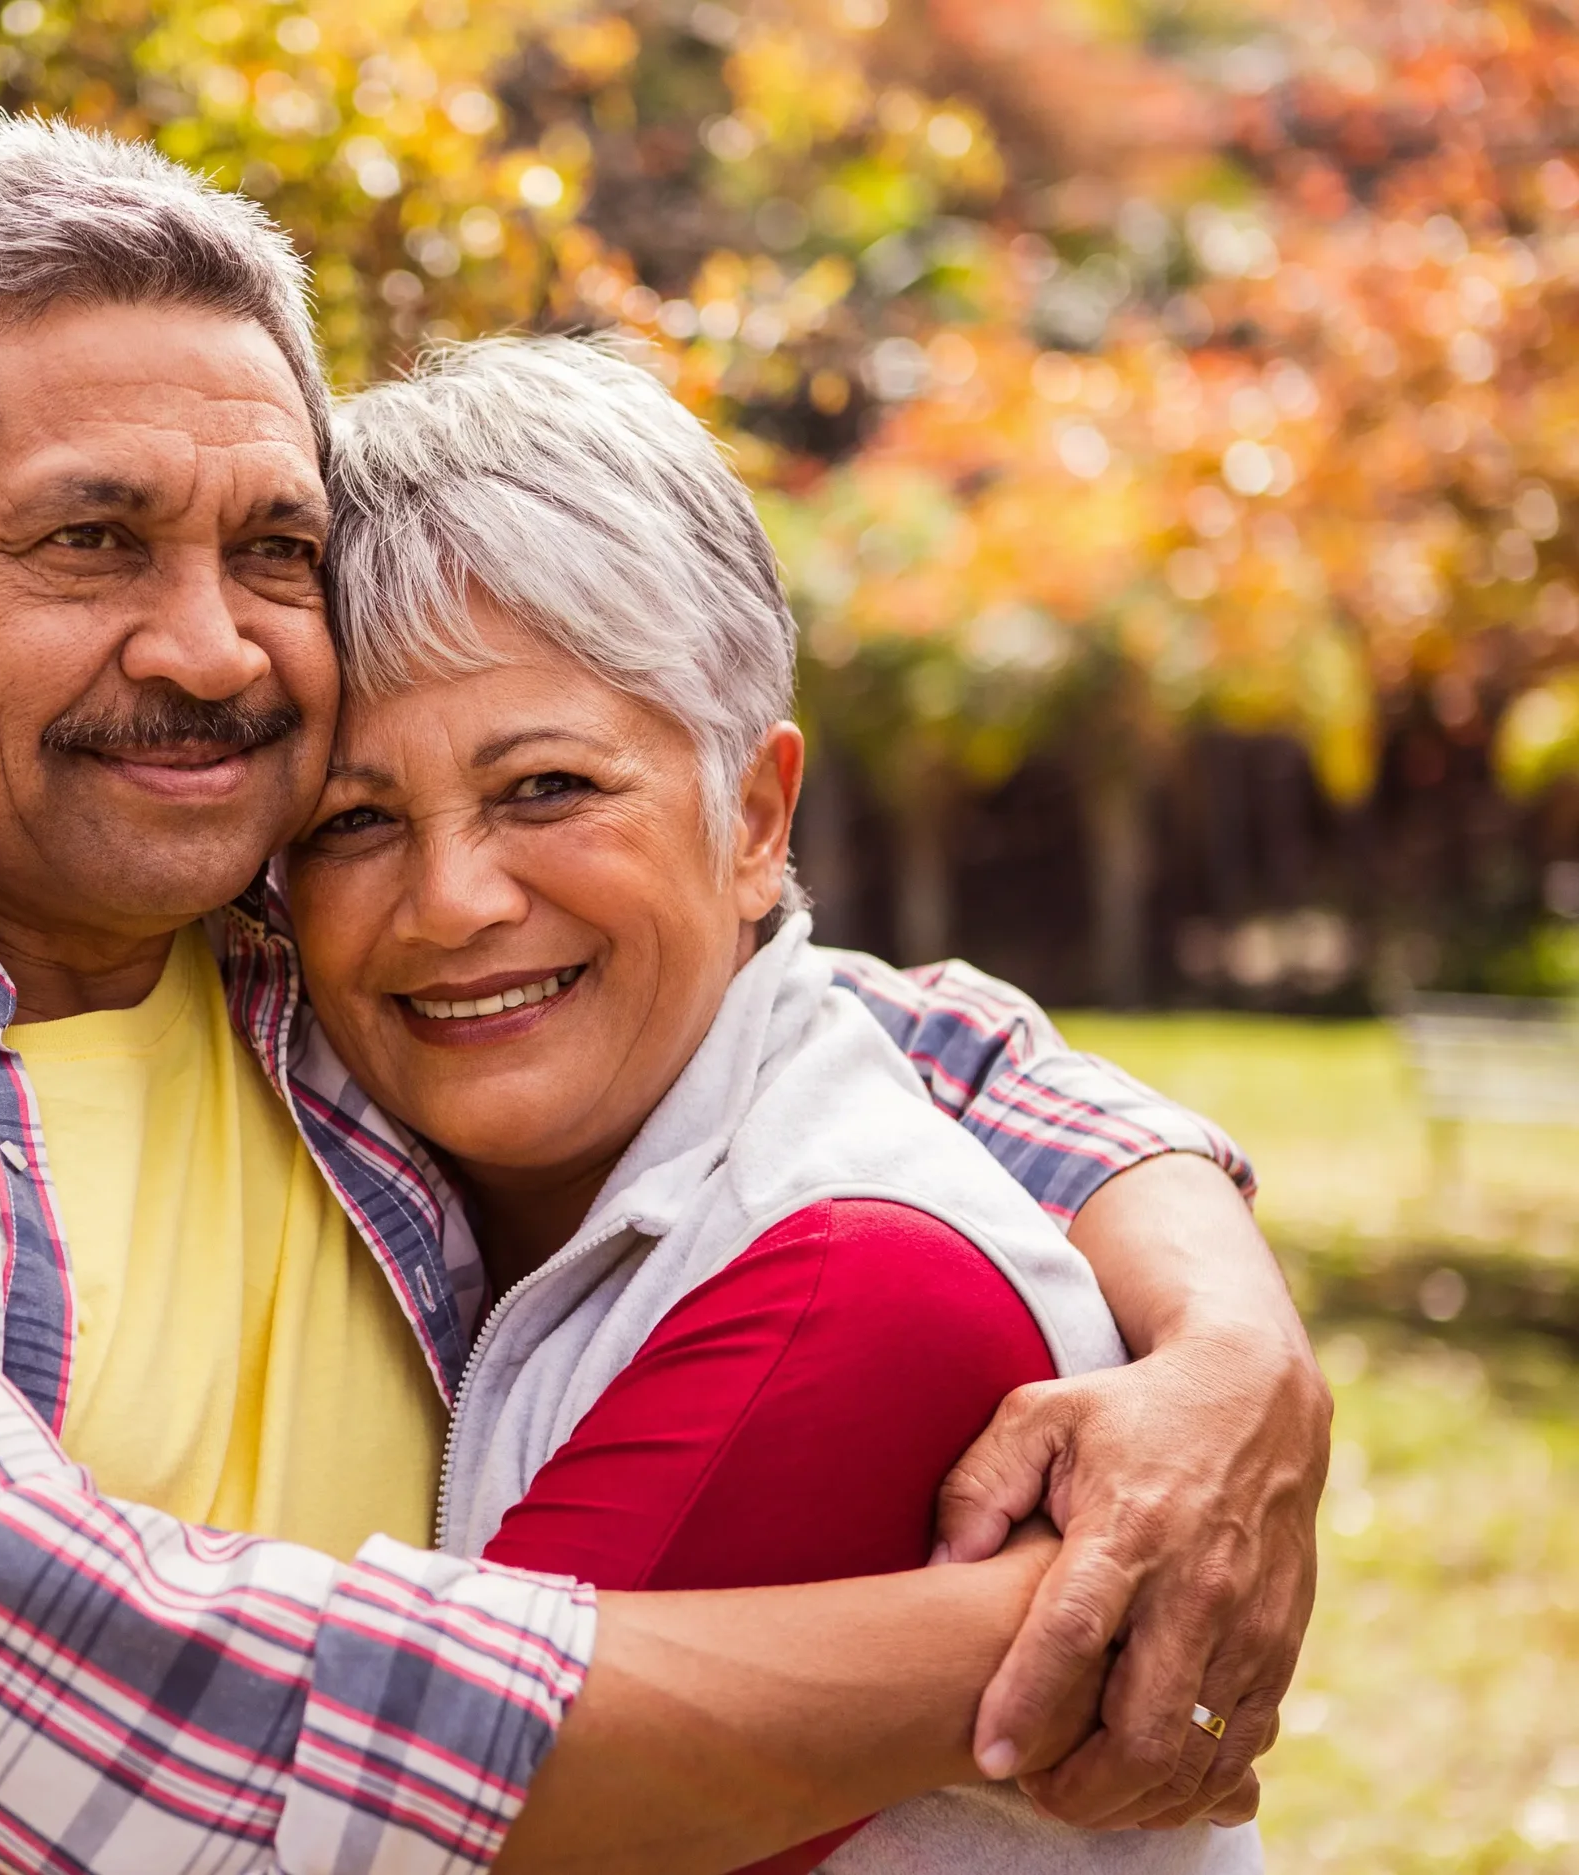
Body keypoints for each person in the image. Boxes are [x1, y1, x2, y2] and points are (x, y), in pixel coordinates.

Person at [0, 119, 1327, 1874]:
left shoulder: (306, 947)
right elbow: (126, 1714)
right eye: (92, 539)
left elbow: (840, 1017)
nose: (208, 648)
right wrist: (1059, 1631)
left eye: (271, 549)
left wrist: (1230, 1339)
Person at [288, 334, 1273, 1871]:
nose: (452, 900)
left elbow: (408, 1832)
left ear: (752, 819)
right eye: (352, 817)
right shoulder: (381, 1137)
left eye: (547, 786)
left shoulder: (855, 1286)